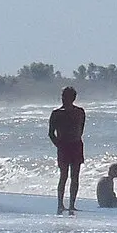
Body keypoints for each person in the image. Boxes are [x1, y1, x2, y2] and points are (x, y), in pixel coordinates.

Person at [48, 86, 86, 214]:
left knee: (75, 176)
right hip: (63, 146)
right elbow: (51, 133)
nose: (63, 98)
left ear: (73, 98)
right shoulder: (57, 113)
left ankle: (72, 204)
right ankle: (60, 204)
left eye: (66, 96)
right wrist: (58, 145)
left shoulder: (80, 112)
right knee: (63, 176)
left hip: (76, 146)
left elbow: (81, 130)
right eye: (63, 96)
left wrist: (74, 139)